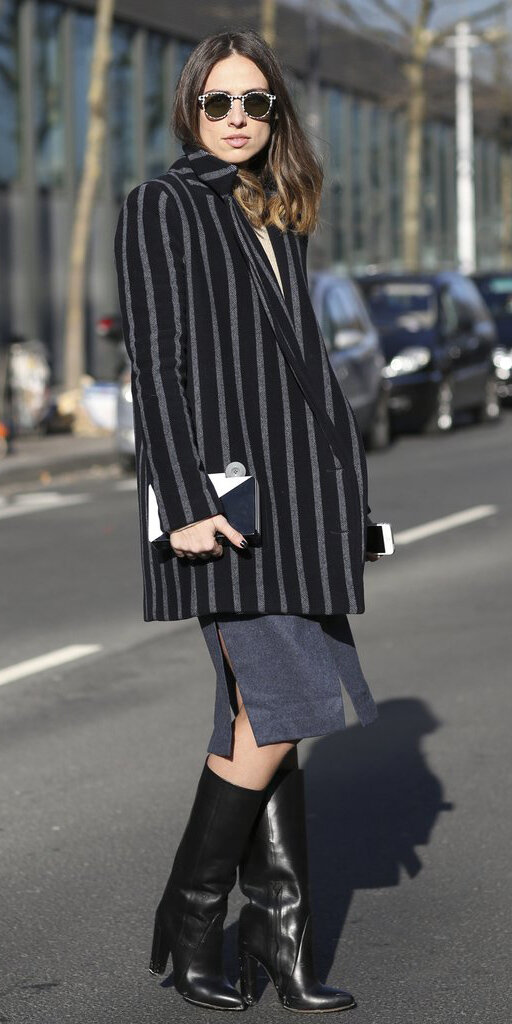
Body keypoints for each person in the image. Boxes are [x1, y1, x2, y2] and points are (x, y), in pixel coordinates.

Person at [114, 27, 381, 1014]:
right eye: (217, 102)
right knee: (282, 706)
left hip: (301, 502)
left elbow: (301, 375)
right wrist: (180, 505)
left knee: (268, 715)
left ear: (276, 115)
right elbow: (158, 365)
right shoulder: (160, 206)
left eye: (254, 103)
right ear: (190, 107)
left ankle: (282, 946)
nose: (235, 119)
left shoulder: (278, 208)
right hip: (223, 504)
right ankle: (187, 926)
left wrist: (347, 503)